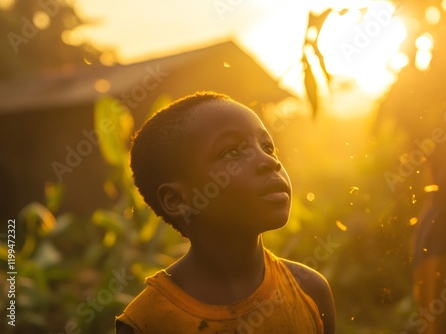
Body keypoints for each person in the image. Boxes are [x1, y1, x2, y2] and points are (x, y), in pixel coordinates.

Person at [115, 91, 336, 333]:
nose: (269, 162)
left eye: (267, 147)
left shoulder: (309, 290)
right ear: (177, 199)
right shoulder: (148, 322)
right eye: (232, 152)